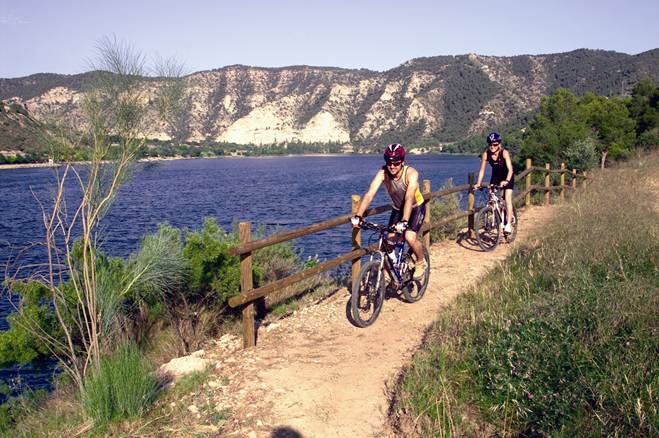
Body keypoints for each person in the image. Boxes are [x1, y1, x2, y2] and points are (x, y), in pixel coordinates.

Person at [350, 143, 427, 279]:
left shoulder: (411, 173)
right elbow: (369, 194)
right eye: (389, 163)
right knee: (387, 243)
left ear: (402, 162)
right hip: (397, 209)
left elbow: (409, 197)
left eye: (396, 163)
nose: (392, 166)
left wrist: (404, 221)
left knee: (409, 237)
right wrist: (358, 216)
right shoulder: (383, 173)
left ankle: (421, 260)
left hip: (415, 208)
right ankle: (388, 273)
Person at [475, 132, 515, 233]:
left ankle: (509, 224)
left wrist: (506, 181)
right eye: (490, 144)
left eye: (495, 144)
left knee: (507, 198)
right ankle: (496, 220)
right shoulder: (486, 154)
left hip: (507, 176)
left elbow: (510, 169)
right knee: (491, 197)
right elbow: (482, 170)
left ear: (499, 144)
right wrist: (478, 183)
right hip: (496, 176)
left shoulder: (504, 153)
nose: (492, 146)